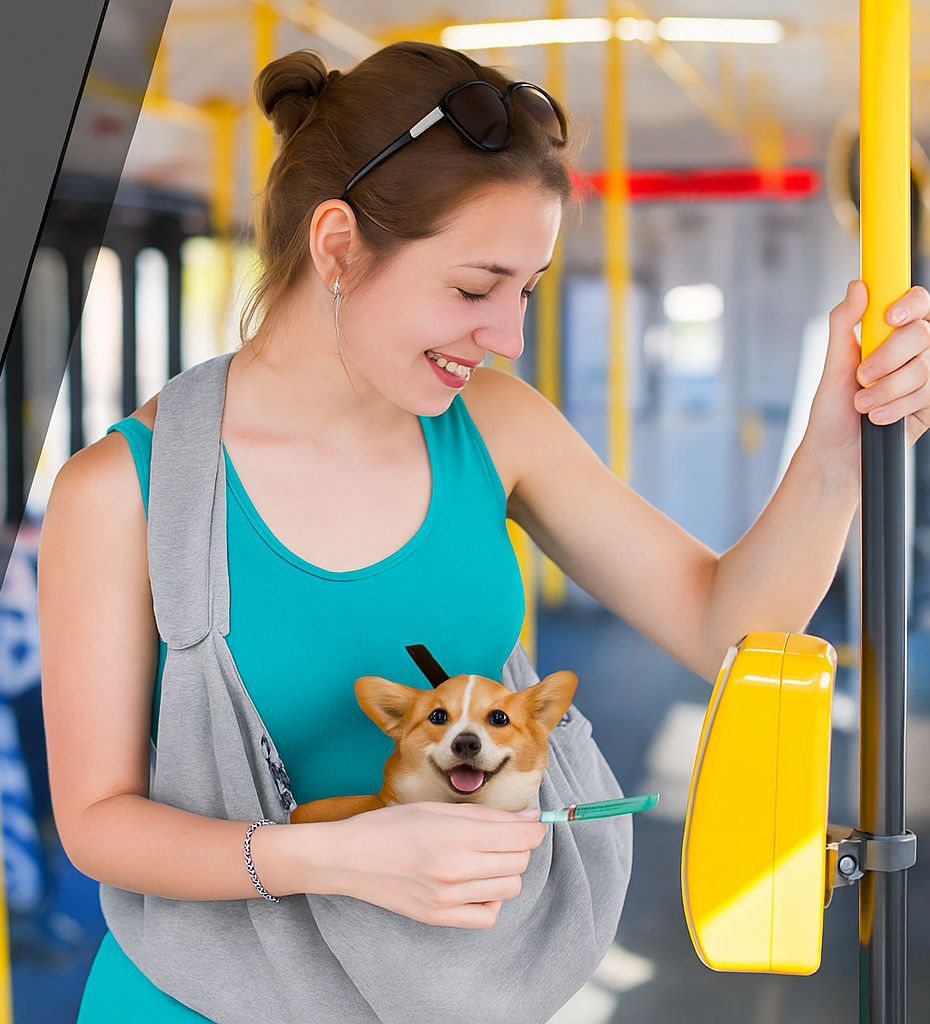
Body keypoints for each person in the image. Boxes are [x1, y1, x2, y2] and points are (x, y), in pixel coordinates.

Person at [37, 40, 930, 1024]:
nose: (506, 335)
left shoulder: (498, 428)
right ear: (336, 247)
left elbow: (732, 627)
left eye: (528, 292)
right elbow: (96, 823)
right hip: (198, 1002)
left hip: (440, 992)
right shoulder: (120, 491)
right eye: (474, 288)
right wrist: (331, 855)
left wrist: (838, 452)